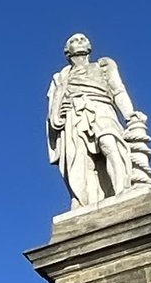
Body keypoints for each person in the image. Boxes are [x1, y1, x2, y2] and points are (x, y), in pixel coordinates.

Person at [47, 33, 142, 209]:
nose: (79, 42)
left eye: (82, 39)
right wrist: (56, 116)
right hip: (74, 115)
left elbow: (118, 90)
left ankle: (122, 189)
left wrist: (130, 115)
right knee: (81, 160)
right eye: (74, 41)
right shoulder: (61, 77)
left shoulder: (103, 66)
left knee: (109, 143)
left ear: (89, 46)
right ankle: (85, 202)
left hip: (100, 107)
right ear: (68, 50)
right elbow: (54, 103)